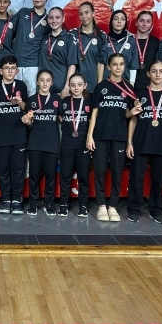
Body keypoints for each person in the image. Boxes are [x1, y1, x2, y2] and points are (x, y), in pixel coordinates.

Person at [88, 53, 140, 221]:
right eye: (115, 64)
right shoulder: (101, 86)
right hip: (100, 135)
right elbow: (94, 113)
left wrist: (132, 112)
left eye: (121, 64)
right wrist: (89, 136)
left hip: (119, 136)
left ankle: (113, 207)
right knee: (100, 172)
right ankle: (101, 206)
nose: (118, 67)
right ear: (109, 67)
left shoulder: (129, 88)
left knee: (117, 173)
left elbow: (127, 114)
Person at [126, 60, 162, 224]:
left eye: (161, 71)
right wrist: (129, 143)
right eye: (154, 71)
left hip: (161, 144)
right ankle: (133, 209)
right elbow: (133, 119)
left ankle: (156, 209)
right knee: (136, 177)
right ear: (148, 73)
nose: (157, 74)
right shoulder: (139, 94)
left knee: (158, 179)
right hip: (141, 142)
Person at [21, 69, 63, 216]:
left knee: (50, 175)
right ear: (37, 82)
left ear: (52, 82)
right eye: (42, 80)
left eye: (48, 80)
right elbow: (29, 121)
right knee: (34, 175)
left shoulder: (57, 99)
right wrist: (27, 121)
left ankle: (49, 203)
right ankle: (33, 203)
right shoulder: (32, 99)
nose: (45, 83)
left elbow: (62, 118)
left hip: (51, 142)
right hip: (35, 143)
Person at [0, 55, 28, 215]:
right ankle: (6, 199)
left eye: (13, 68)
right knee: (2, 169)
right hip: (0, 135)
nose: (10, 71)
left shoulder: (21, 86)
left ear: (17, 71)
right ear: (1, 71)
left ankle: (17, 200)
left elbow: (27, 108)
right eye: (7, 68)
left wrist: (20, 102)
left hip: (19, 135)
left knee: (18, 169)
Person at [58, 73, 92, 217]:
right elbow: (59, 116)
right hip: (67, 143)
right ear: (69, 86)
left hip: (83, 144)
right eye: (72, 85)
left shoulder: (89, 102)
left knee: (83, 176)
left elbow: (92, 121)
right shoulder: (64, 101)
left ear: (85, 86)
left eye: (79, 85)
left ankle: (83, 205)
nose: (76, 88)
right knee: (65, 176)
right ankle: (63, 204)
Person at [12, 0, 50, 96]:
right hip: (16, 62)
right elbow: (10, 29)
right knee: (13, 96)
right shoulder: (23, 12)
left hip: (33, 65)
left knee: (31, 96)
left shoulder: (49, 20)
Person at [70, 1, 107, 95]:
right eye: (81, 14)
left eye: (87, 13)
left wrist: (99, 86)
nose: (84, 16)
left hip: (93, 84)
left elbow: (101, 63)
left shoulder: (101, 36)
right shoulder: (72, 34)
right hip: (76, 86)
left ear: (93, 13)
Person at [38, 7, 77, 96]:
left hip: (61, 88)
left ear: (63, 19)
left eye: (57, 17)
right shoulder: (44, 38)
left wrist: (67, 86)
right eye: (51, 18)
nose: (54, 20)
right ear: (47, 20)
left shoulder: (69, 38)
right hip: (44, 88)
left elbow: (72, 65)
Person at [104, 9, 137, 82]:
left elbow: (133, 66)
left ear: (125, 22)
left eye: (122, 19)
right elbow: (100, 64)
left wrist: (131, 83)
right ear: (111, 22)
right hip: (107, 81)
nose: (119, 21)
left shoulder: (131, 41)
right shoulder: (104, 40)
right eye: (116, 19)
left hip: (125, 82)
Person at [131, 11, 160, 90]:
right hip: (129, 83)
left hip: (149, 85)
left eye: (148, 21)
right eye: (141, 21)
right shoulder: (129, 41)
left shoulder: (156, 42)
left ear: (151, 24)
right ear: (136, 23)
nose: (144, 24)